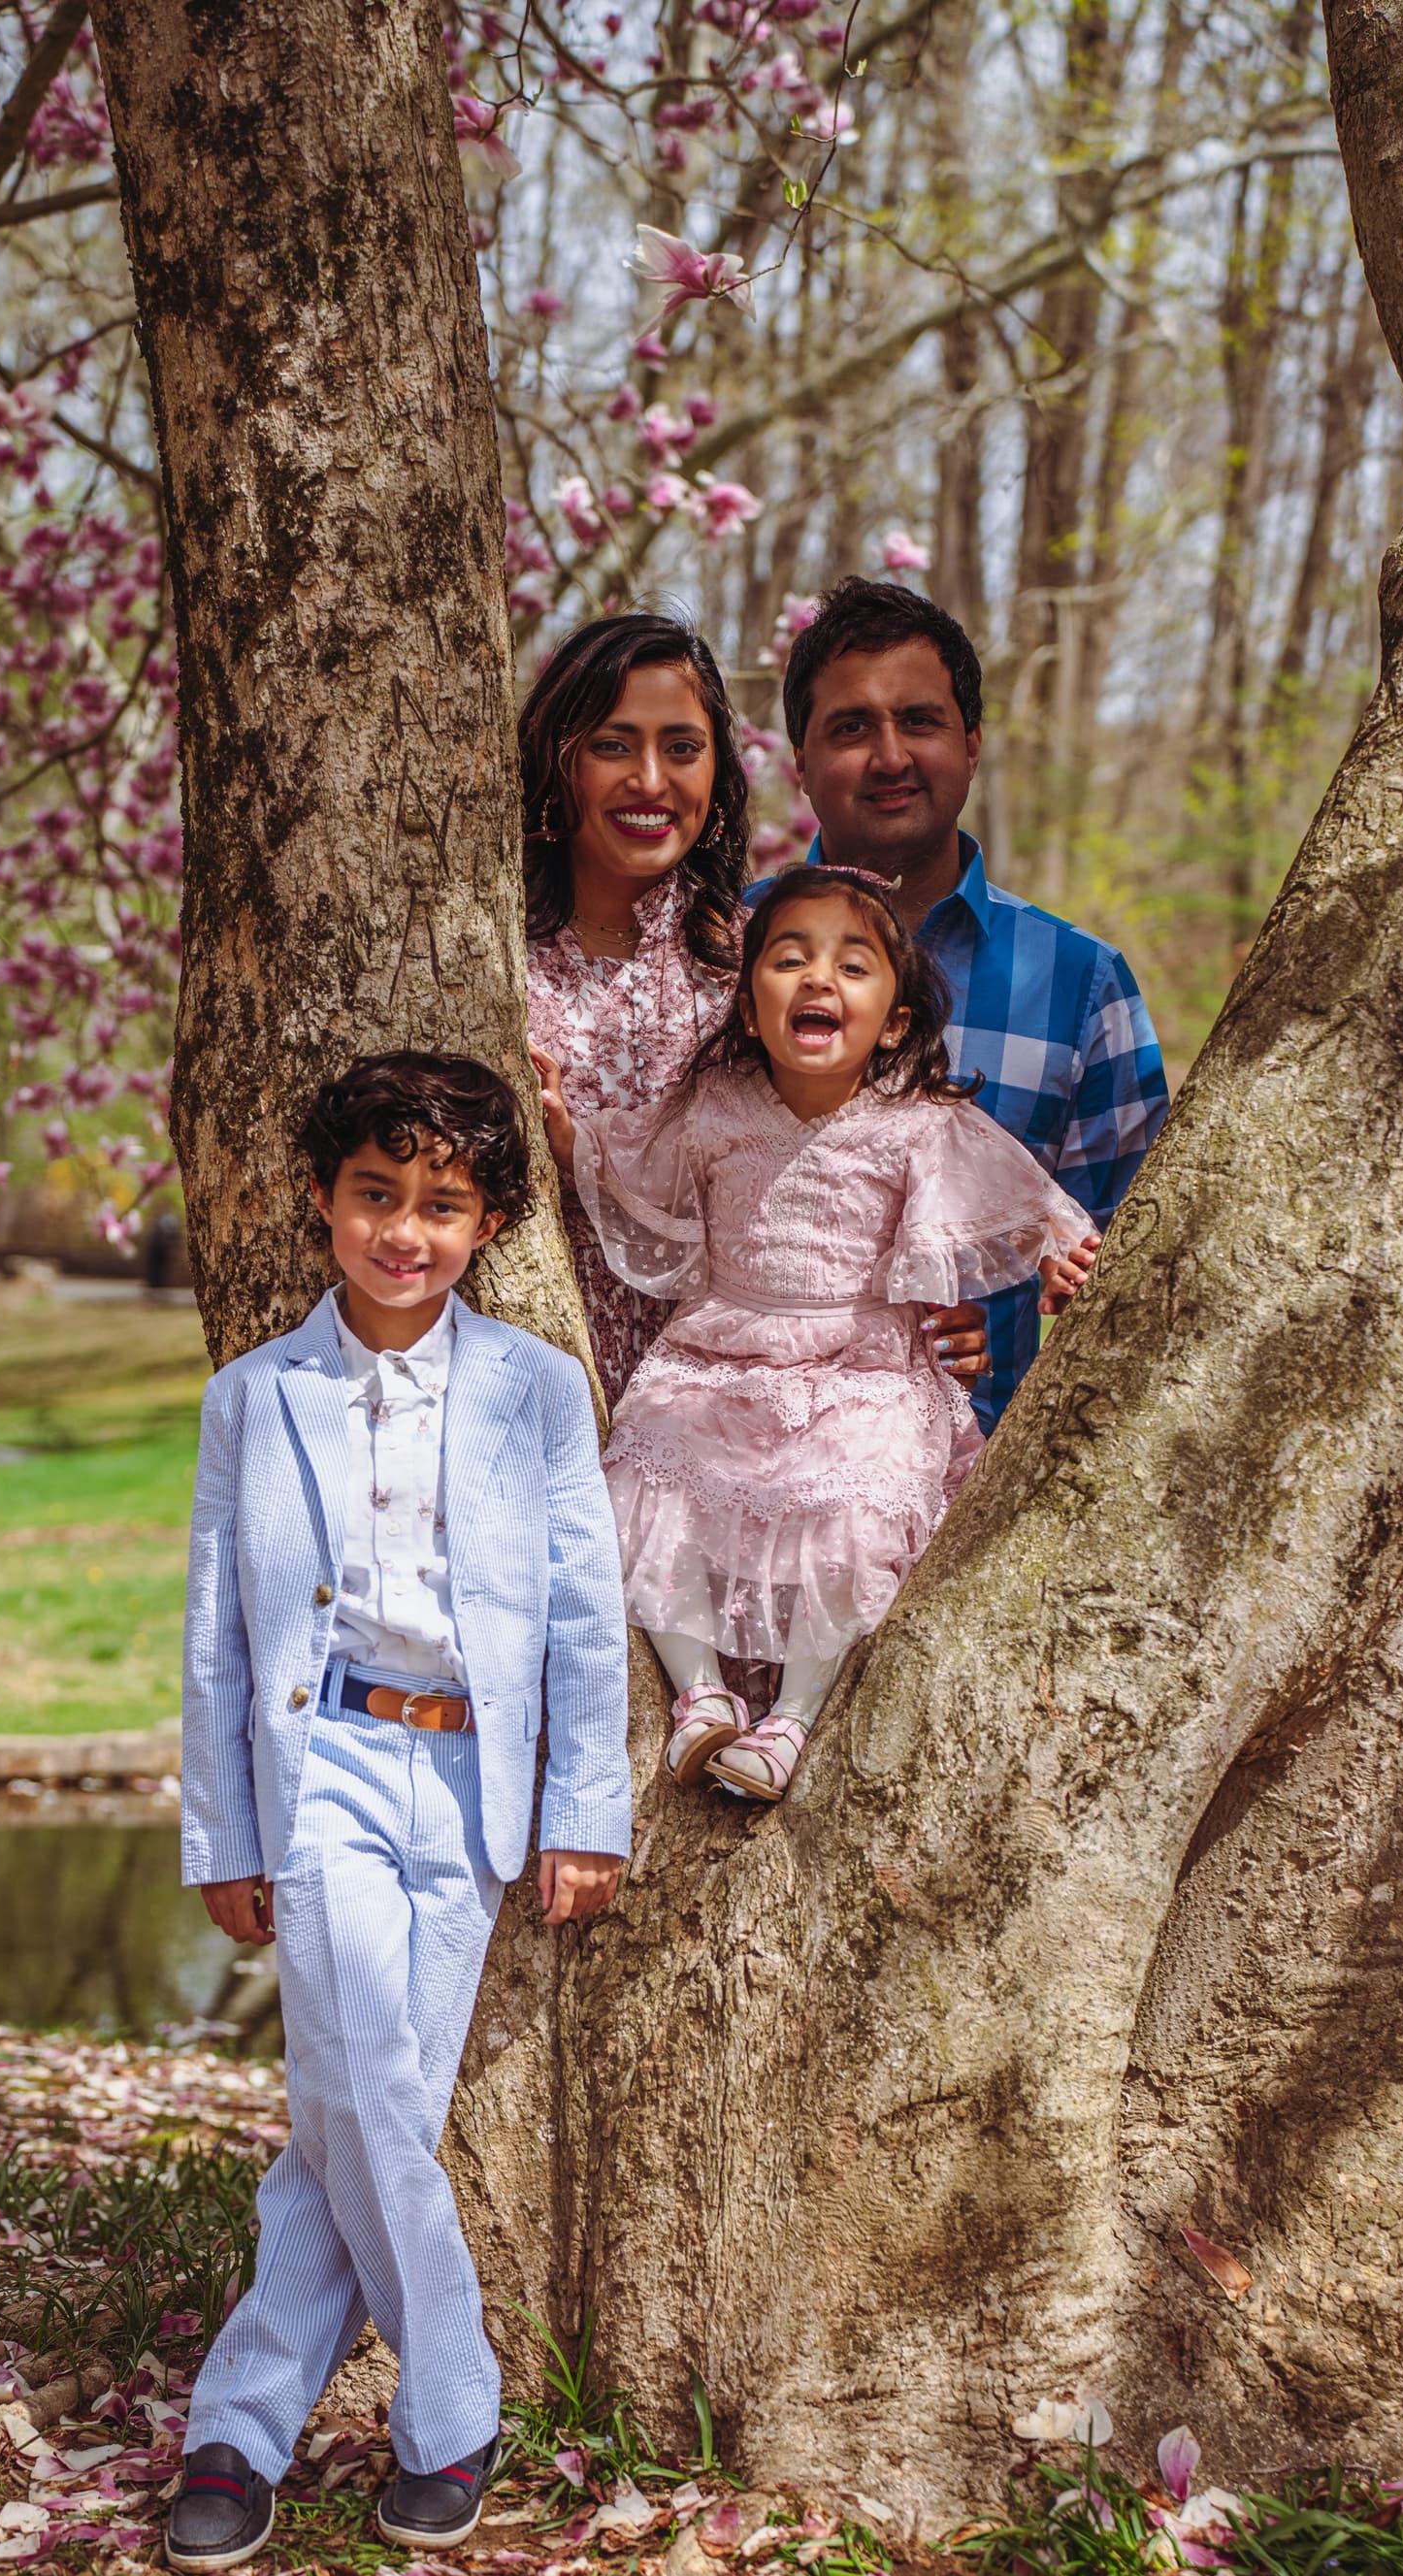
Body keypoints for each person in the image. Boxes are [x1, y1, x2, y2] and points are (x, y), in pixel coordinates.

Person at [165, 1053, 631, 2569]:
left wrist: (586, 1809)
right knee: (367, 2086)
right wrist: (227, 1832)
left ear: (489, 1220)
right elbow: (218, 1635)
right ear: (323, 1199)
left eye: (441, 1205)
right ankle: (450, 2402)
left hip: (473, 1778)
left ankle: (240, 2430)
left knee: (362, 2116)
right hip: (331, 1769)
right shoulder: (257, 1396)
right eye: (377, 1196)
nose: (405, 1233)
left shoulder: (535, 1389)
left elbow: (579, 1612)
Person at [537, 866, 1095, 1802]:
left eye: (852, 965)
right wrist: (566, 1131)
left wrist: (1064, 1252)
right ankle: (701, 1696)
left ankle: (793, 1717)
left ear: (898, 1021)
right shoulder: (713, 1105)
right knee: (639, 1480)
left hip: (859, 1368)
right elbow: (627, 1155)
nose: (817, 979)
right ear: (751, 1010)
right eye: (789, 959)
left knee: (861, 1503)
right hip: (718, 1357)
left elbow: (1024, 1195)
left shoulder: (919, 1124)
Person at [777, 576, 1168, 1432]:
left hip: (981, 1505)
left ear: (973, 741)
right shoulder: (723, 951)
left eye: (919, 721)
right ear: (799, 763)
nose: (890, 757)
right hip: (739, 1489)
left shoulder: (1082, 987)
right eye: (851, 728)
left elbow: (1135, 1278)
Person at [522, 612, 751, 1404]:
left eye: (682, 748)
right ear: (559, 764)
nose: (650, 780)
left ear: (717, 774)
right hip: (532, 1386)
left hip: (725, 1405)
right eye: (612, 745)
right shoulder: (485, 959)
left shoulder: (760, 969)